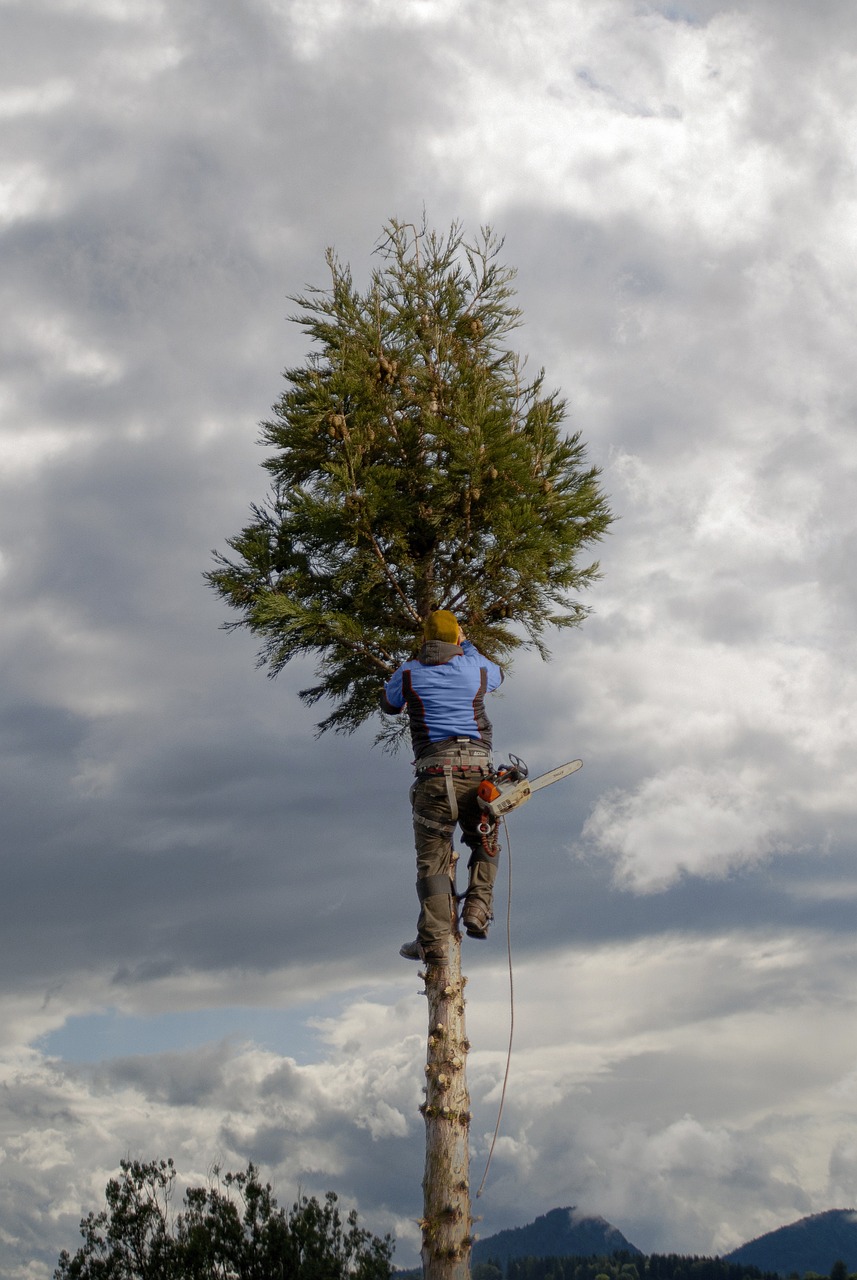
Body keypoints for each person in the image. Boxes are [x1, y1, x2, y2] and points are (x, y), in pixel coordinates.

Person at [381, 609, 504, 964]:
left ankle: (433, 943)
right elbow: (498, 675)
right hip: (478, 773)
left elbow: (390, 706)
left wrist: (413, 663)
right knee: (485, 838)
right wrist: (467, 644)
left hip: (434, 776)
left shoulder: (408, 673)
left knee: (432, 862)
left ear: (423, 640)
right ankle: (478, 909)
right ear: (457, 638)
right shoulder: (475, 667)